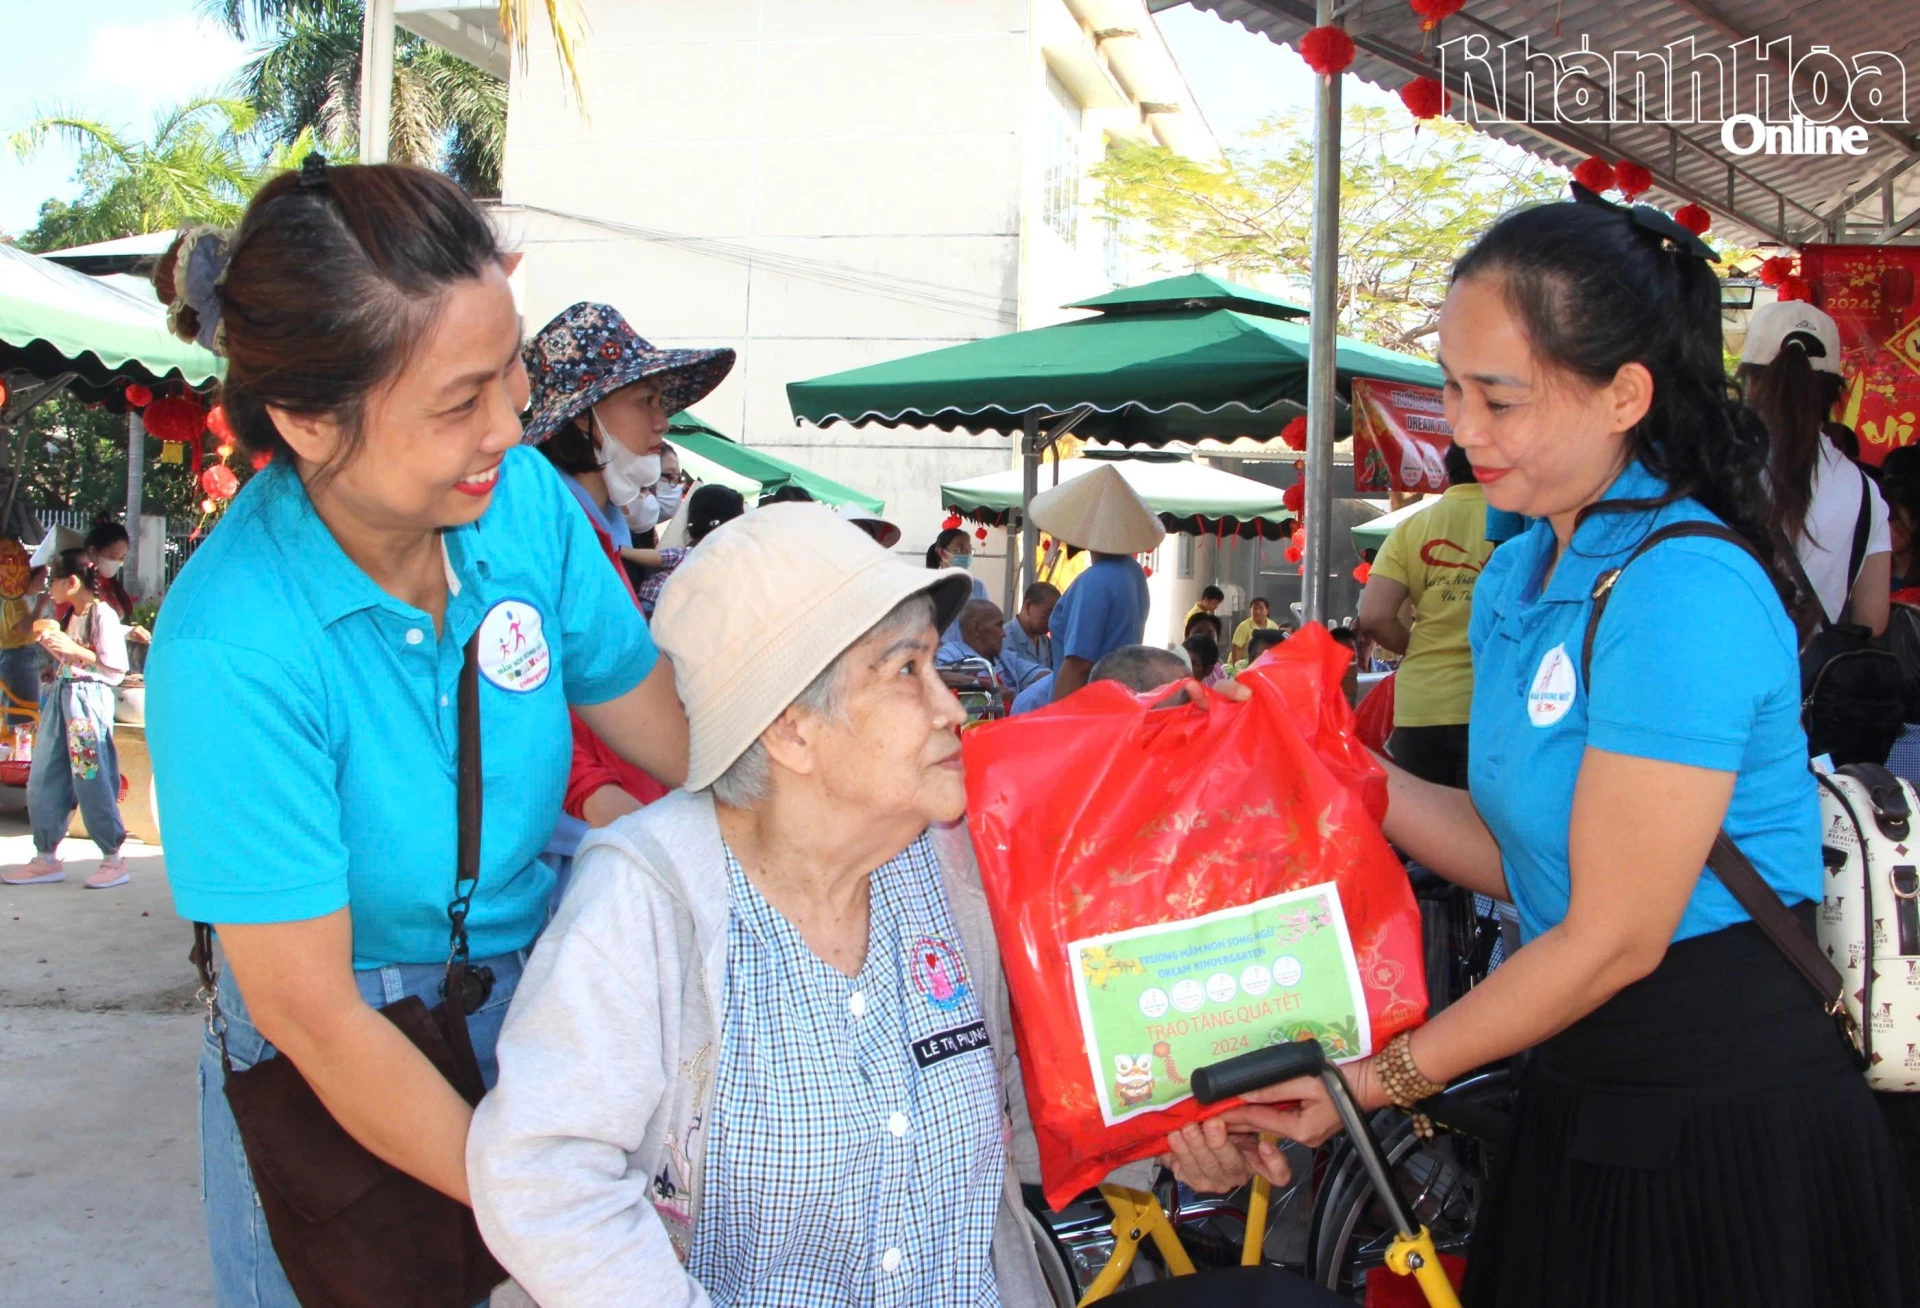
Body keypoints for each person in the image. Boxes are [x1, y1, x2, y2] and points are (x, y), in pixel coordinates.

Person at [1216, 193, 1915, 1307]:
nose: (1464, 431)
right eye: (1451, 388)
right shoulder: (1518, 574)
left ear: (1625, 395)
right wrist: (1327, 763)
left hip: (1717, 1111)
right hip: (1581, 1081)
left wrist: (1379, 1081)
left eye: (1500, 398)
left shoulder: (1687, 587)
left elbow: (1612, 933)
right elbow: (1519, 849)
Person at [466, 505, 1279, 1305]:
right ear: (790, 730)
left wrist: (1167, 1141)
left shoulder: (952, 870)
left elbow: (1021, 1100)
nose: (951, 707)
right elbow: (543, 1175)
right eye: (906, 671)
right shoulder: (651, 893)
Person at [141, 159, 690, 1305]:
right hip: (340, 1060)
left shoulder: (522, 508)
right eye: (459, 401)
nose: (510, 424)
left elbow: (669, 728)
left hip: (527, 1001)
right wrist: (540, 1204)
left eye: (513, 373)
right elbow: (316, 1015)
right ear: (306, 420)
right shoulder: (235, 645)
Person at [1739, 299, 1891, 636]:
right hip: (1813, 684)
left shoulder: (1717, 472)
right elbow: (1872, 619)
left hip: (1727, 679)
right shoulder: (1865, 492)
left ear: (1749, 382)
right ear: (1834, 393)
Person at [1356, 443, 1492, 789]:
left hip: (1421, 704)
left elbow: (1373, 615)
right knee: (1487, 837)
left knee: (1423, 837)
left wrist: (1413, 645)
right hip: (1494, 704)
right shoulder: (1525, 522)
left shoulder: (1414, 526)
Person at [2, 550, 132, 890]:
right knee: (45, 773)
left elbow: (114, 667)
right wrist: (57, 654)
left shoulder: (102, 614)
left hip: (86, 704)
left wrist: (71, 650)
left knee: (90, 774)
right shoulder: (71, 615)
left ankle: (113, 856)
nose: (50, 589)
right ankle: (45, 854)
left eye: (53, 582)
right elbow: (75, 659)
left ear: (71, 582)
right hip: (62, 698)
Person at [1033, 465, 1162, 702]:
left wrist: (1056, 721)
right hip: (1119, 698)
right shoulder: (1133, 572)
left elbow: (1078, 664)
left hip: (1086, 706)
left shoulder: (1094, 580)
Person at [628, 484, 747, 619]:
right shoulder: (724, 570)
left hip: (650, 608)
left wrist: (623, 551)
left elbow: (657, 557)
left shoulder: (693, 555)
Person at [0, 558, 48, 741]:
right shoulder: (15, 600)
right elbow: (24, 628)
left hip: (18, 656)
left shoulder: (15, 599)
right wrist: (40, 605)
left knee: (22, 713)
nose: (43, 585)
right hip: (18, 657)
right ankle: (20, 756)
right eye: (41, 579)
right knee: (23, 714)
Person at [80, 519, 150, 643]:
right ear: (92, 551)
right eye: (112, 557)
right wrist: (127, 632)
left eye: (122, 558)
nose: (117, 562)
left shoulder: (109, 584)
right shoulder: (79, 584)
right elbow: (84, 628)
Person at [1003, 581, 1059, 675]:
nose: (1052, 620)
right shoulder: (1004, 639)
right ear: (1028, 606)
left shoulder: (1046, 642)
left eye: (1056, 615)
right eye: (1048, 613)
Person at [1229, 596, 1280, 663]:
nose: (1257, 612)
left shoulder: (1273, 626)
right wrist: (1237, 667)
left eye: (1261, 609)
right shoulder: (1244, 626)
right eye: (1254, 609)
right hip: (1243, 664)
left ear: (1267, 611)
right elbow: (1236, 648)